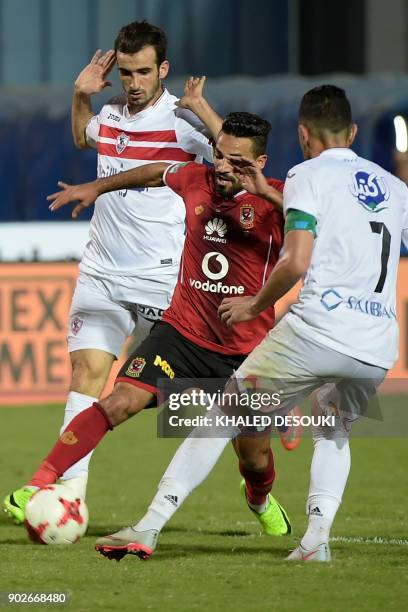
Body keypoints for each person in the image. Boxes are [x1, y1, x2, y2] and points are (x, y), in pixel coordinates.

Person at [92, 84, 407, 563]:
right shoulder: (394, 187)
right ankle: (314, 543)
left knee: (223, 417)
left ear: (303, 133)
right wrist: (263, 192)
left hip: (317, 332)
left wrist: (255, 304)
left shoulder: (304, 174)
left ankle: (149, 527)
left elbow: (296, 261)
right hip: (377, 344)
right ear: (355, 131)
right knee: (335, 433)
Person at [7, 112, 294, 547]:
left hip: (245, 351)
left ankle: (257, 500)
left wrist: (267, 194)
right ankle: (41, 480)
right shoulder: (195, 178)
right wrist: (98, 186)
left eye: (236, 161)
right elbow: (158, 171)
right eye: (218, 155)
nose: (221, 166)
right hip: (181, 333)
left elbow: (318, 230)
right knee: (119, 401)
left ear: (260, 162)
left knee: (255, 458)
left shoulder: (282, 202)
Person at [3, 20, 215, 523]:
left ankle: (257, 484)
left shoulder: (183, 123)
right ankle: (70, 498)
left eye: (143, 72)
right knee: (87, 375)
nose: (133, 83)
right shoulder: (114, 113)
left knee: (194, 404)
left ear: (163, 68)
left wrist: (206, 112)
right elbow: (82, 139)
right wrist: (80, 95)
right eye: (126, 73)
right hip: (102, 272)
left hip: (164, 280)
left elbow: (234, 155)